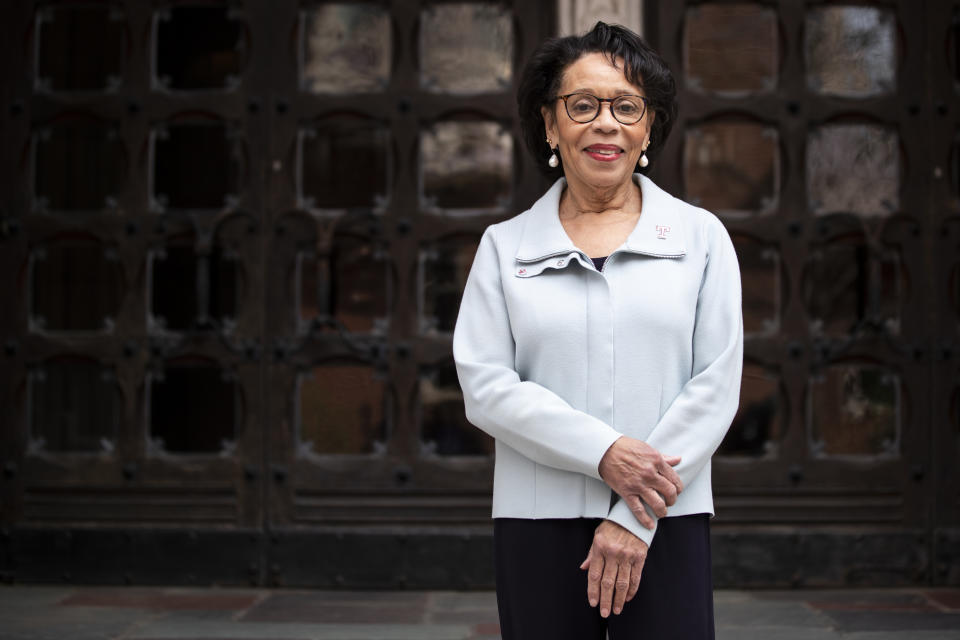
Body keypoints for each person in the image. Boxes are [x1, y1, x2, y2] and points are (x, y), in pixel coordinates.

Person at [452, 21, 743, 640]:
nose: (605, 123)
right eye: (581, 105)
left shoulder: (701, 238)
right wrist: (604, 453)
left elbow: (714, 387)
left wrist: (634, 514)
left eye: (626, 106)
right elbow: (486, 386)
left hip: (666, 514)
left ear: (650, 127)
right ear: (551, 125)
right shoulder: (504, 248)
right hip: (538, 519)